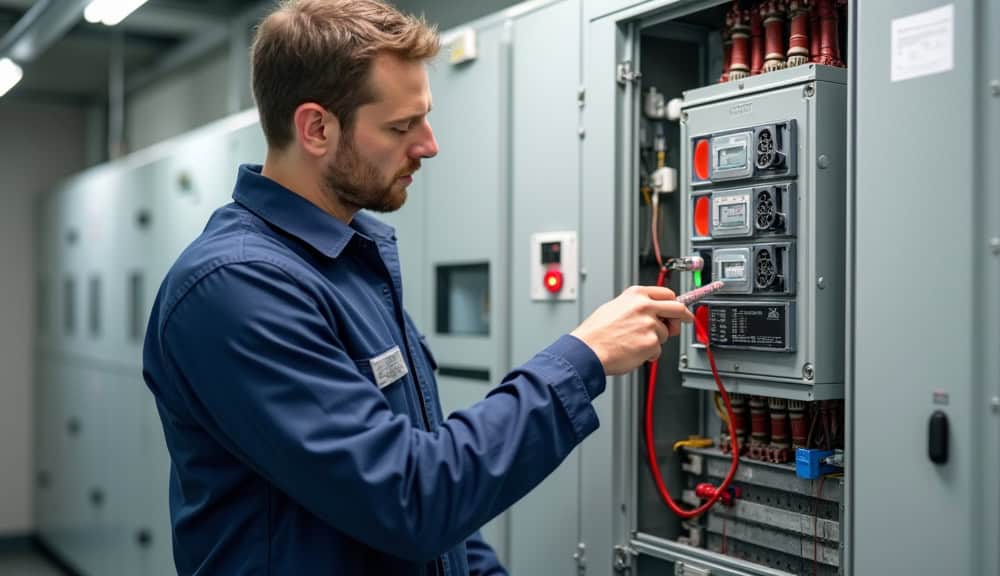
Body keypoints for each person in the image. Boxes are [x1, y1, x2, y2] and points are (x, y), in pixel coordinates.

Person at [142, 1, 694, 574]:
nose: (428, 145)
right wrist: (584, 358)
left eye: (424, 118)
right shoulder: (236, 287)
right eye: (401, 126)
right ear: (316, 128)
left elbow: (435, 494)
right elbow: (412, 498)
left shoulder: (349, 263)